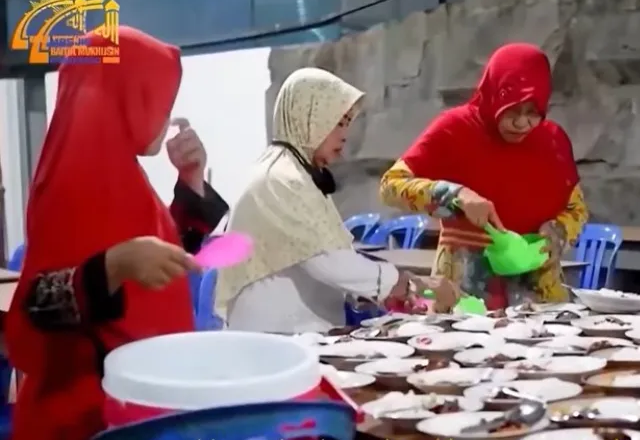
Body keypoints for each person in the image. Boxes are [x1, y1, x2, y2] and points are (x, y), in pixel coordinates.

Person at [6, 27, 229, 440]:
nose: (166, 116)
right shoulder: (76, 179)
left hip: (131, 404)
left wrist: (191, 182)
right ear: (129, 95)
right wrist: (113, 266)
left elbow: (158, 261)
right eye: (160, 101)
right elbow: (30, 316)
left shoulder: (116, 169)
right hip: (88, 420)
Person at [217, 68, 458, 333]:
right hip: (277, 341)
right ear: (308, 118)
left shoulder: (288, 171)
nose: (344, 135)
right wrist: (410, 284)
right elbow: (328, 262)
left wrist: (373, 291)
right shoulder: (284, 181)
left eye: (347, 124)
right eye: (337, 123)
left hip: (289, 332)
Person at [379, 43, 588, 309]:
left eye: (533, 113)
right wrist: (456, 196)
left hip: (538, 297)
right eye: (512, 110)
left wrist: (557, 233)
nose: (522, 123)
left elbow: (577, 209)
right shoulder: (455, 129)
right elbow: (391, 186)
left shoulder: (553, 141)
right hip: (464, 294)